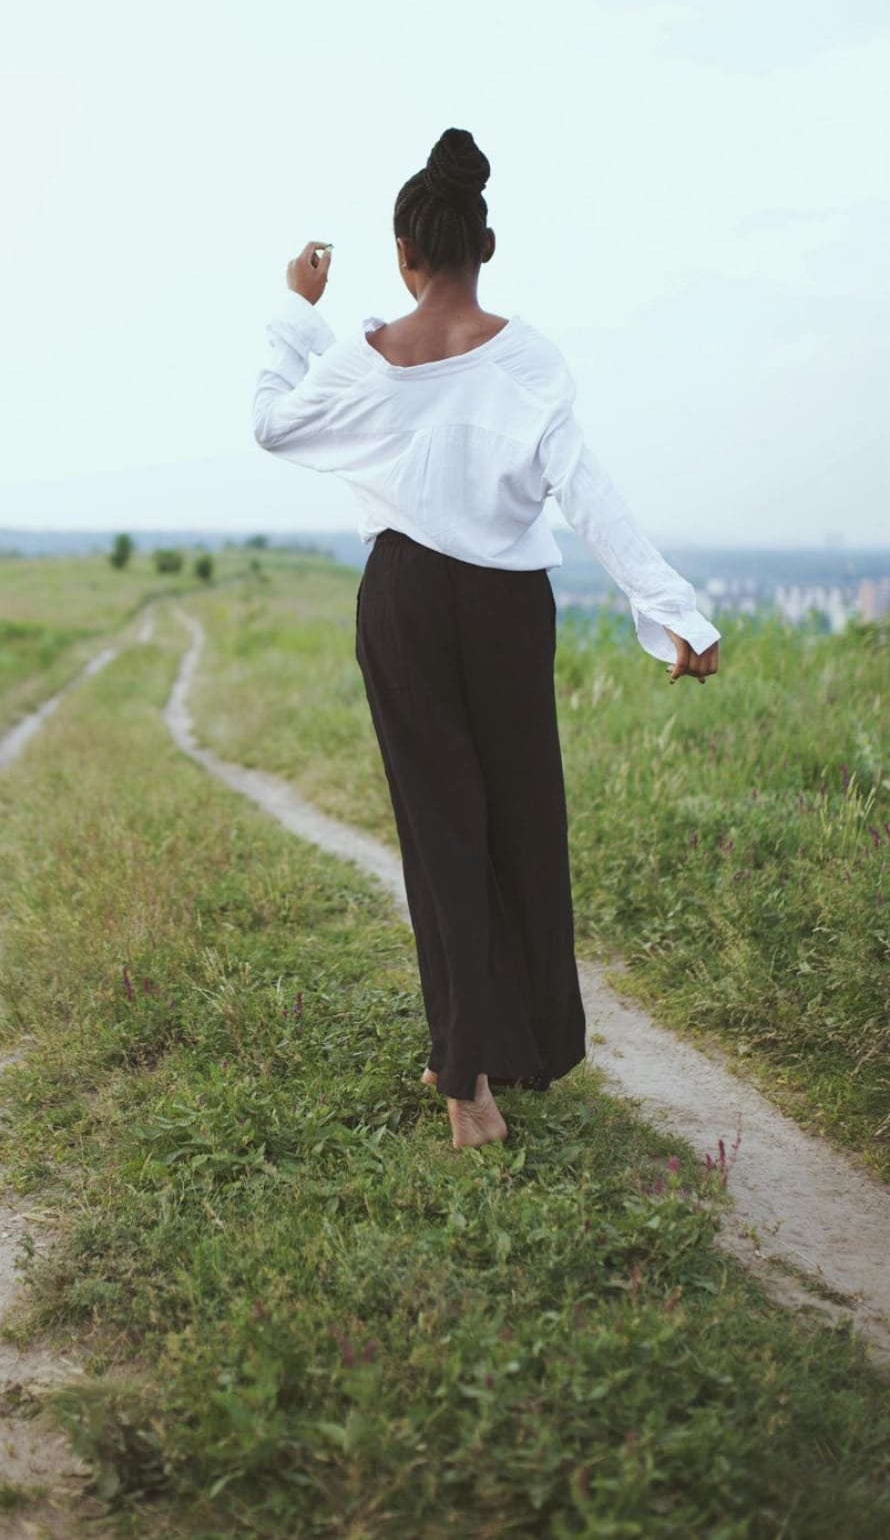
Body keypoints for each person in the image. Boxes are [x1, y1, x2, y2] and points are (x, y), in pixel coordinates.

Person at [251, 126, 721, 1151]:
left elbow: (273, 424)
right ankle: (487, 1057)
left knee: (442, 829)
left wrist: (297, 309)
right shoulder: (528, 356)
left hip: (406, 601)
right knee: (517, 821)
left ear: (406, 256)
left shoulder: (368, 359)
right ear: (484, 248)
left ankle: (467, 1069)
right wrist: (674, 609)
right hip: (508, 606)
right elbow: (585, 490)